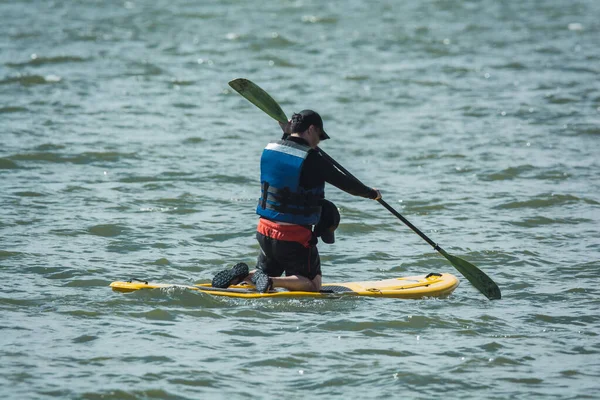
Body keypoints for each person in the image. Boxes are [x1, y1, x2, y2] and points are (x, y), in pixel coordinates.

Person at [212, 110, 381, 292]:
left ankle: (244, 276)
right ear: (311, 129)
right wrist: (371, 193)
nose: (318, 142)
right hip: (293, 236)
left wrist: (287, 133)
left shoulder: (271, 149)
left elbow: (290, 152)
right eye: (319, 136)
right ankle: (271, 282)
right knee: (313, 285)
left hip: (264, 230)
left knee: (266, 270)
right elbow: (346, 184)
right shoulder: (312, 159)